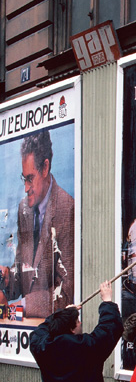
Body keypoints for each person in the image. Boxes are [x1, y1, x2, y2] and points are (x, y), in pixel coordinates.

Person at [0, 128, 74, 319]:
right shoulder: (24, 209)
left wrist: (20, 306)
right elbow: (25, 271)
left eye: (30, 179)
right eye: (24, 179)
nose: (25, 188)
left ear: (45, 167)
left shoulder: (67, 210)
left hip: (52, 331)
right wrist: (9, 277)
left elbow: (66, 292)